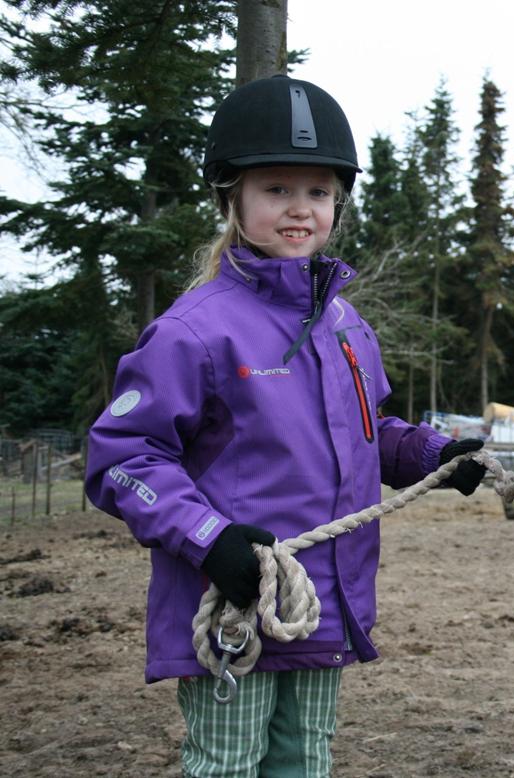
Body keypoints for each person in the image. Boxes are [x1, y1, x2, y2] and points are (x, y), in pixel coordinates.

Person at [84, 74, 487, 777]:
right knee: (228, 764)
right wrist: (210, 540)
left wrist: (433, 454)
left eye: (318, 193)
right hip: (235, 602)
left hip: (321, 605)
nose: (300, 208)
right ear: (232, 197)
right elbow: (123, 458)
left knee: (304, 761)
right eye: (276, 189)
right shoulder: (192, 332)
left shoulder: (346, 324)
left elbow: (366, 431)